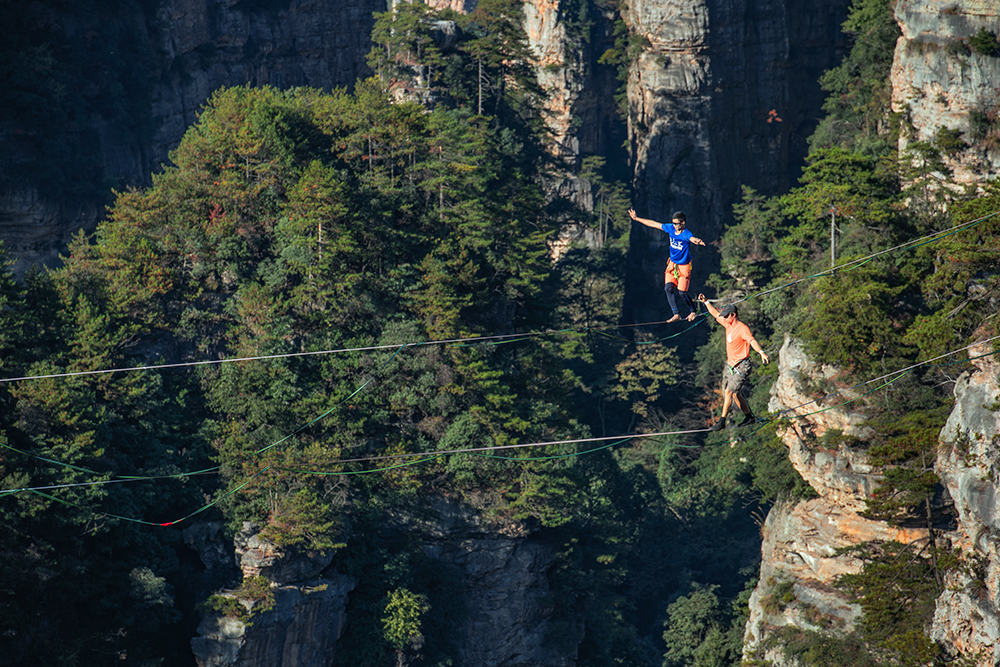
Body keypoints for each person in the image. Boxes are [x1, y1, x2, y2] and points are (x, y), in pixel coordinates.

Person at [697, 294, 770, 431]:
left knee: (728, 392)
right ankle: (749, 417)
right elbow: (715, 314)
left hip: (742, 366)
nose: (724, 318)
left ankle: (722, 421)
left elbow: (752, 340)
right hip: (733, 367)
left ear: (733, 315)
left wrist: (761, 352)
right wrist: (706, 301)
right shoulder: (727, 324)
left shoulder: (742, 328)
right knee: (736, 394)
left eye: (726, 316)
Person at [629, 208, 706, 322]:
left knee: (682, 293)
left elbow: (691, 238)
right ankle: (676, 314)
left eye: (676, 223)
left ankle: (693, 312)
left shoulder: (686, 234)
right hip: (672, 264)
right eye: (673, 223)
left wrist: (697, 241)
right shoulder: (670, 228)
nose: (674, 225)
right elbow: (654, 224)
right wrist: (636, 218)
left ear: (683, 223)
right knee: (668, 288)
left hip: (684, 266)